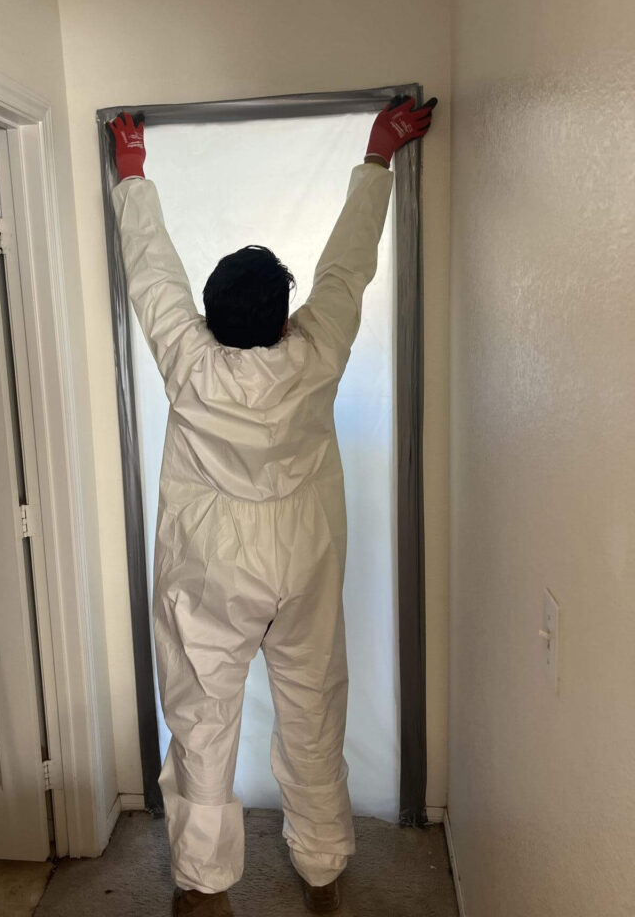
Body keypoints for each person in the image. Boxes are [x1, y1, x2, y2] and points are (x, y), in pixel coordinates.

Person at [108, 95, 437, 917]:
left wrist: (132, 173)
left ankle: (204, 885)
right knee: (311, 708)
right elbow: (346, 269)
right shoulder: (316, 353)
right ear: (284, 315)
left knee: (202, 719)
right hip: (302, 558)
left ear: (210, 314)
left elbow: (153, 277)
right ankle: (322, 868)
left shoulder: (190, 362)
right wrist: (378, 156)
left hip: (209, 568)